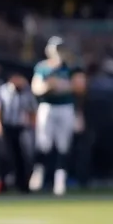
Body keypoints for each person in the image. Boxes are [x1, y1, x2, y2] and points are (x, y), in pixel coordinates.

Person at [28, 37, 80, 196]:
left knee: (63, 144)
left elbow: (79, 86)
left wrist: (62, 86)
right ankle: (39, 174)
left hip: (65, 107)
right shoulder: (42, 67)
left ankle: (60, 180)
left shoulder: (70, 68)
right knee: (44, 143)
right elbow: (36, 88)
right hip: (48, 107)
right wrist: (49, 86)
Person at [0, 73, 35, 193]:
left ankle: (23, 185)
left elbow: (32, 110)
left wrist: (32, 126)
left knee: (23, 157)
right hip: (6, 127)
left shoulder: (26, 91)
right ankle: (2, 185)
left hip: (21, 128)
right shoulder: (3, 90)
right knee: (4, 156)